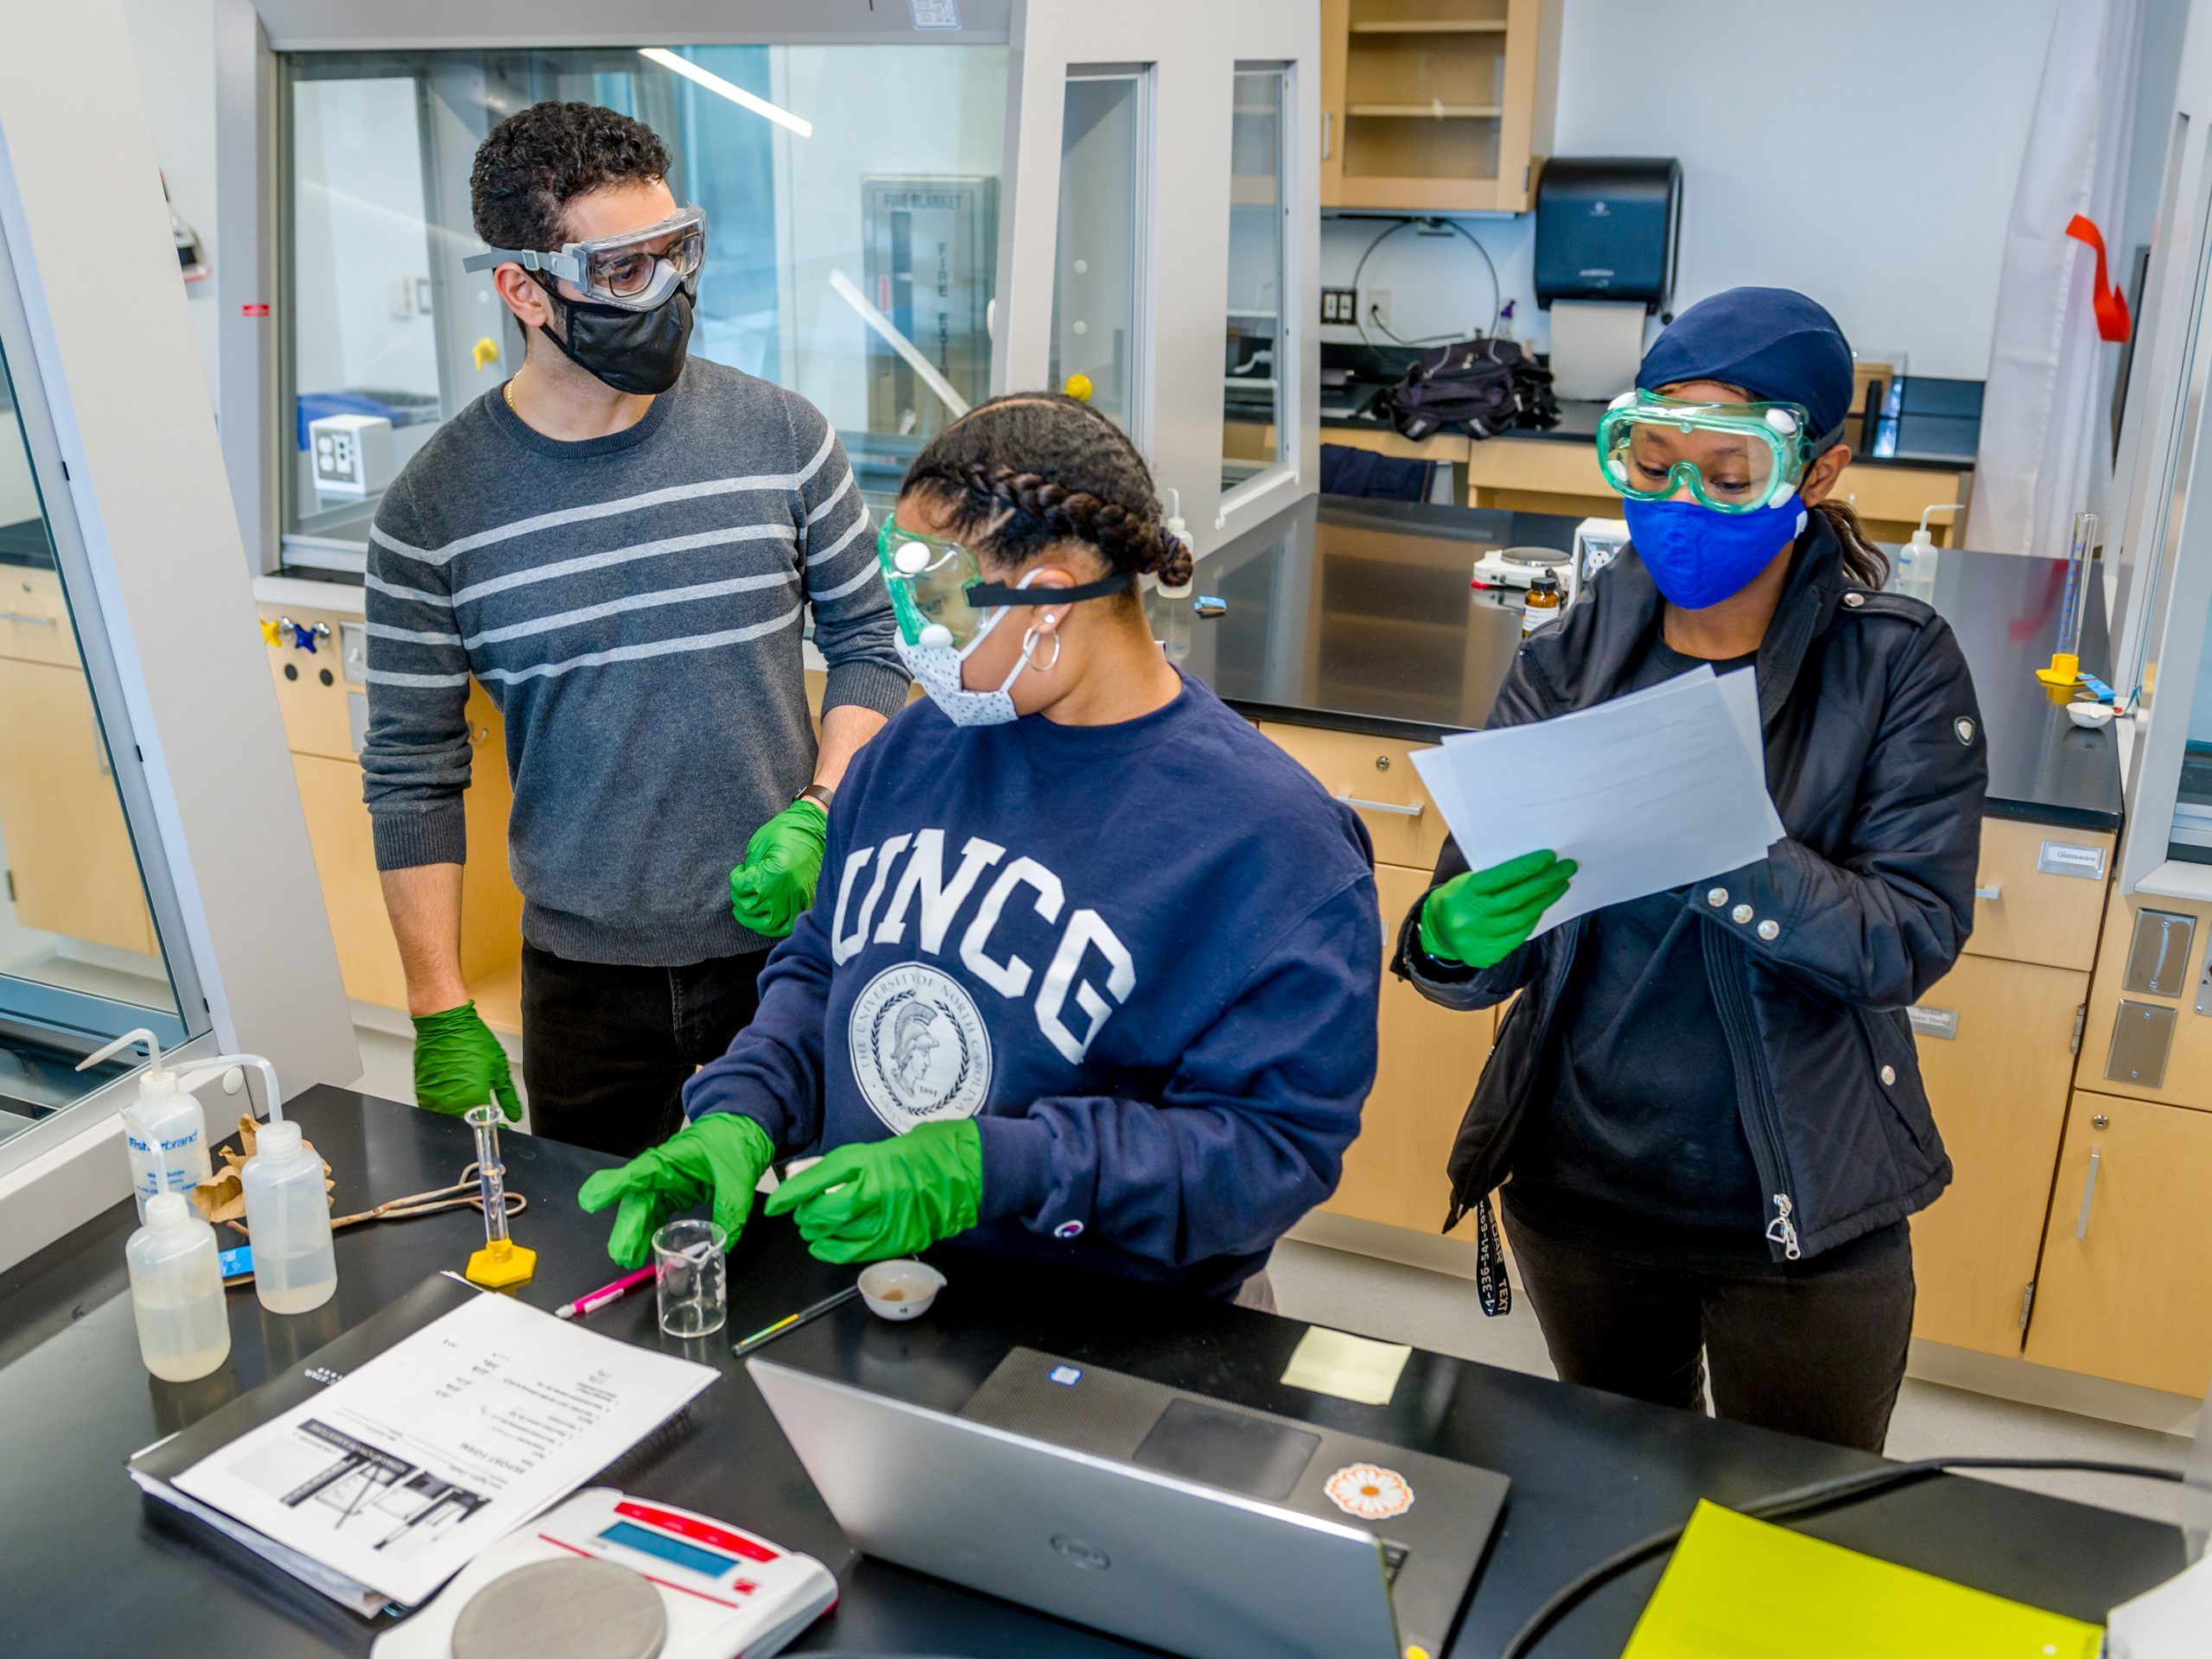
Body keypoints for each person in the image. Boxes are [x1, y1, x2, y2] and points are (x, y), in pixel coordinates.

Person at [577, 393, 1381, 1302]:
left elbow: (1267, 1156)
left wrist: (997, 1170)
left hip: (1105, 1327)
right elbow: (822, 969)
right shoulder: (910, 753)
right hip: (870, 1282)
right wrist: (744, 1112)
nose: (907, 640)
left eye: (934, 607)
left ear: (1042, 603)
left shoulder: (1273, 847)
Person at [1397, 289, 1986, 1452]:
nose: (1679, 501)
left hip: (1799, 1220)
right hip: (1582, 1202)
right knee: (1618, 1498)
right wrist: (1444, 943)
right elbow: (1485, 942)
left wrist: (1717, 847)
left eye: (1729, 470)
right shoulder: (1569, 658)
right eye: (1653, 459)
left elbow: (1904, 940)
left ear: (1817, 473)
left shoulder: (1896, 668)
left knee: (1791, 1537)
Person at [360, 102, 907, 1158]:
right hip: (582, 990)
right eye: (621, 269)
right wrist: (436, 1002)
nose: (666, 290)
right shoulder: (434, 509)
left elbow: (870, 648)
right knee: (600, 1273)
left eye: (676, 252)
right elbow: (411, 771)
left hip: (790, 954)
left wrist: (823, 809)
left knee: (807, 1266)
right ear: (522, 288)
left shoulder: (783, 436)